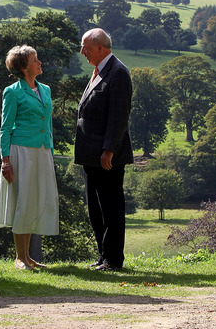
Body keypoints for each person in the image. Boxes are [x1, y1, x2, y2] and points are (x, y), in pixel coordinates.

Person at [0, 45, 59, 270]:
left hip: (41, 150)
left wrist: (49, 151)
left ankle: (28, 257)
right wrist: (5, 160)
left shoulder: (46, 90)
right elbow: (5, 127)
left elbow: (47, 123)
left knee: (33, 201)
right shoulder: (12, 92)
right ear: (23, 67)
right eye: (35, 60)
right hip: (21, 150)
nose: (39, 63)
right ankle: (20, 257)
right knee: (22, 201)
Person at [74, 28, 134, 271]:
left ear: (100, 47)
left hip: (106, 156)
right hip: (92, 156)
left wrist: (108, 149)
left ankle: (113, 259)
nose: (82, 52)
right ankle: (103, 255)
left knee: (111, 208)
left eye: (86, 48)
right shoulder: (99, 71)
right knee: (96, 209)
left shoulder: (118, 72)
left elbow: (118, 116)